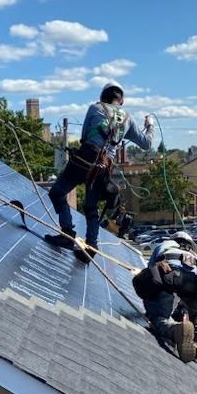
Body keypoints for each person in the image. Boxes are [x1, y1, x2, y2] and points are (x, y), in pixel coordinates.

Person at [44, 84, 153, 263]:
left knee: (57, 192)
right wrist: (149, 126)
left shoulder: (95, 108)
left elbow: (85, 136)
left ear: (103, 97)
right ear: (122, 102)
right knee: (90, 206)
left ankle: (67, 233)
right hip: (104, 166)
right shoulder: (128, 118)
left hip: (86, 158)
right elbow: (147, 143)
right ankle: (91, 246)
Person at [132, 232, 197, 364]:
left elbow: (150, 272)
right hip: (193, 281)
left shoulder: (165, 246)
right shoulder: (195, 257)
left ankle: (176, 330)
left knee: (159, 317)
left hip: (167, 276)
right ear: (191, 244)